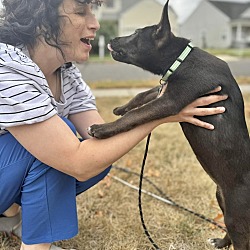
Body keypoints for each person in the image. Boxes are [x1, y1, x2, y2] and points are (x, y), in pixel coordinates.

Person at [0, 0, 228, 249]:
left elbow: (100, 140)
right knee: (62, 145)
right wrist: (162, 114)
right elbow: (79, 162)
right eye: (80, 12)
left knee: (94, 154)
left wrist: (164, 104)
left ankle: (9, 217)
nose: (95, 23)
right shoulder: (8, 70)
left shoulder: (65, 73)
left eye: (93, 12)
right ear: (41, 19)